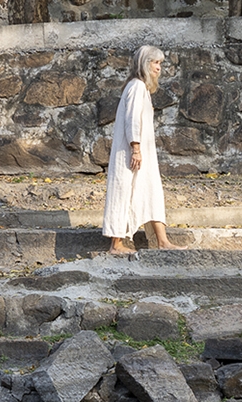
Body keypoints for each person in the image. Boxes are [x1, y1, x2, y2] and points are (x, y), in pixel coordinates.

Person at [103, 45, 181, 255]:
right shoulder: (136, 87)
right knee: (124, 191)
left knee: (151, 190)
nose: (159, 68)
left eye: (160, 64)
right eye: (156, 63)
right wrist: (135, 148)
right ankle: (115, 244)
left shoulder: (141, 88)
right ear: (145, 64)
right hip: (131, 151)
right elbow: (132, 119)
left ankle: (163, 241)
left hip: (141, 152)